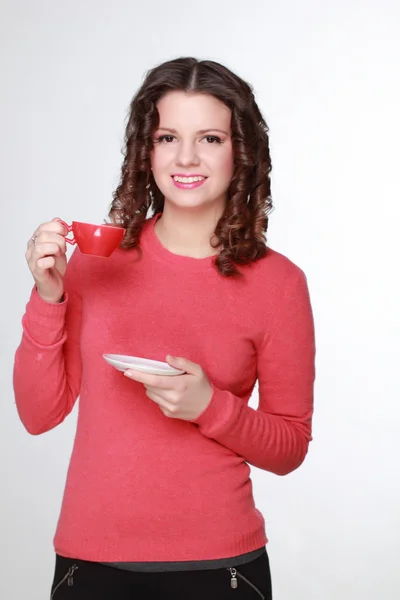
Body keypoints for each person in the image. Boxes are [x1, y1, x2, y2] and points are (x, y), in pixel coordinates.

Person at [13, 57, 316, 600]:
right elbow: (38, 416)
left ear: (241, 152)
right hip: (90, 562)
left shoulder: (279, 284)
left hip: (221, 568)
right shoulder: (96, 263)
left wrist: (209, 406)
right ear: (145, 150)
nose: (186, 158)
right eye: (167, 136)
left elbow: (289, 446)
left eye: (211, 138)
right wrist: (47, 296)